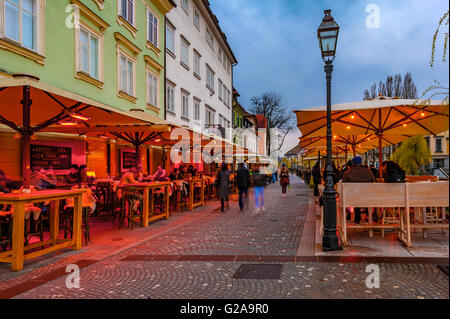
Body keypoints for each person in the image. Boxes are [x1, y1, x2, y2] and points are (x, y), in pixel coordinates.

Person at [342, 156, 376, 224]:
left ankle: (357, 219)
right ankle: (368, 215)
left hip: (353, 197)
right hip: (367, 197)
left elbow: (344, 185)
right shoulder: (368, 171)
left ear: (352, 163)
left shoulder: (347, 172)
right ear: (361, 163)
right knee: (366, 196)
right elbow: (373, 182)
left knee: (356, 198)